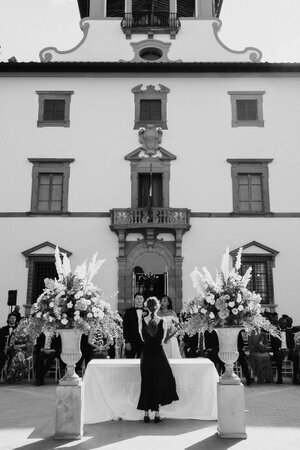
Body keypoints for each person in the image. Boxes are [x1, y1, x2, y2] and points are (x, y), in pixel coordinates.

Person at [137, 296, 179, 423]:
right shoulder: (163, 321)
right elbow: (162, 340)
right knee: (159, 381)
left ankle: (145, 414)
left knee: (146, 381)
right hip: (158, 354)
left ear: (146, 307)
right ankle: (156, 414)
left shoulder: (141, 321)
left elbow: (142, 338)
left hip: (146, 354)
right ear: (158, 307)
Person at [3, 318, 33, 383]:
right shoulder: (14, 332)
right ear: (19, 323)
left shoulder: (29, 333)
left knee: (18, 355)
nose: (23, 324)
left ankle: (11, 375)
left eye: (25, 323)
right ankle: (23, 370)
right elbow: (11, 344)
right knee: (18, 354)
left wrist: (20, 346)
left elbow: (29, 345)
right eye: (22, 322)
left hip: (26, 351)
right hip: (15, 351)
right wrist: (14, 346)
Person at [123, 292, 145, 358]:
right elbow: (125, 327)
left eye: (141, 298)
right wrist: (127, 341)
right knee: (130, 358)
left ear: (143, 300)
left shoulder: (147, 311)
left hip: (143, 340)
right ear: (134, 300)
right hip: (131, 339)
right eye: (137, 298)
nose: (139, 300)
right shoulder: (128, 311)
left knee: (143, 359)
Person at [270, 316, 288, 384]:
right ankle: (280, 378)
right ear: (279, 323)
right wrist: (278, 349)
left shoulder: (288, 331)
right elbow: (272, 344)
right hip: (279, 350)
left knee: (296, 356)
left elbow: (291, 343)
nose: (284, 325)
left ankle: (295, 378)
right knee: (279, 356)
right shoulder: (275, 331)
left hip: (288, 350)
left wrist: (289, 349)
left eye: (285, 323)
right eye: (283, 323)